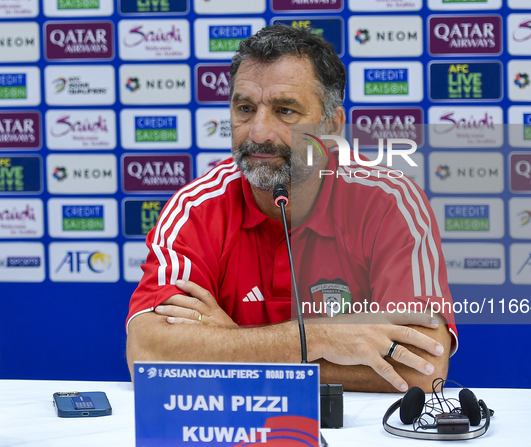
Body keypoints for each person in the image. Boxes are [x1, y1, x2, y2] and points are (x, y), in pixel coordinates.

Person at [126, 24, 457, 393]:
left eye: (285, 111)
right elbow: (147, 352)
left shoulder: (389, 202)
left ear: (332, 125)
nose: (258, 132)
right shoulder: (196, 208)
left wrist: (232, 344)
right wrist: (317, 338)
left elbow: (423, 367)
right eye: (245, 109)